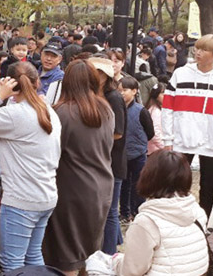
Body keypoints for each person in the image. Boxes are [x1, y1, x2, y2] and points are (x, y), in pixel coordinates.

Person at [0, 62, 61, 271]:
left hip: (21, 201)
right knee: (34, 256)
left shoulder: (14, 115)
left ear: (8, 83)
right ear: (37, 82)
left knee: (13, 263)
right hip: (46, 195)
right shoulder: (48, 111)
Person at [42, 60, 114, 275]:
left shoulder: (62, 113)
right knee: (89, 256)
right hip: (102, 188)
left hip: (72, 191)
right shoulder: (106, 109)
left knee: (68, 259)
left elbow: (52, 155)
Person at [162, 34, 213, 219]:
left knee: (207, 185)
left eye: (204, 49)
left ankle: (202, 224)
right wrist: (167, 138)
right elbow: (168, 108)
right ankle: (177, 220)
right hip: (181, 139)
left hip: (210, 142)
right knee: (177, 183)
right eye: (197, 48)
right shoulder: (181, 74)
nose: (197, 52)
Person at [111, 150, 209, 276]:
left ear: (148, 176)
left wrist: (116, 262)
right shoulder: (196, 210)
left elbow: (132, 271)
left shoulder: (146, 222)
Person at [89, 56, 128, 255]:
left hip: (113, 162)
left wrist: (93, 140)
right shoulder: (94, 94)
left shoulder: (114, 97)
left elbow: (118, 132)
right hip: (98, 162)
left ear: (104, 75)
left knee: (111, 211)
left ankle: (110, 253)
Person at [119, 76, 154, 223]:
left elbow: (150, 132)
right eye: (119, 90)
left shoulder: (141, 111)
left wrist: (140, 143)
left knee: (138, 185)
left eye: (125, 90)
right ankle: (125, 213)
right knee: (124, 185)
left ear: (134, 91)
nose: (121, 93)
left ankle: (138, 212)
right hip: (122, 154)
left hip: (138, 154)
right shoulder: (116, 109)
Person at [146, 83, 165, 154]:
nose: (165, 95)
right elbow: (155, 132)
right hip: (155, 150)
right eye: (162, 93)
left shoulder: (157, 109)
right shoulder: (155, 111)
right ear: (156, 95)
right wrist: (164, 146)